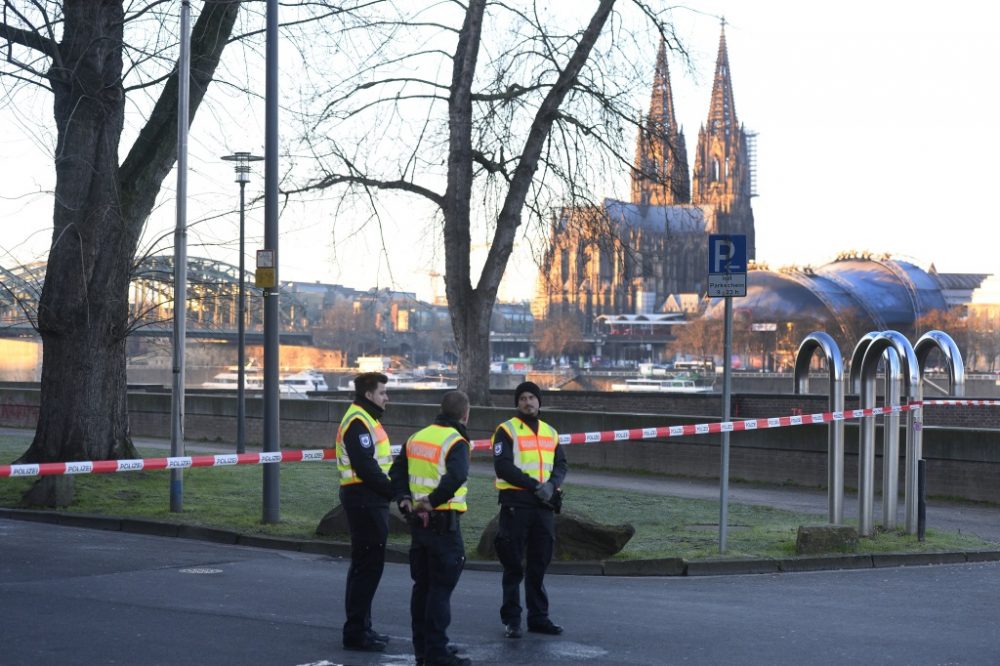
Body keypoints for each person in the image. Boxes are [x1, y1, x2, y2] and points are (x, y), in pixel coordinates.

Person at [389, 390, 473, 666]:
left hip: (419, 527)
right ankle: (437, 653)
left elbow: (397, 470)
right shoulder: (456, 441)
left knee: (422, 588)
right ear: (465, 414)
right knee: (440, 590)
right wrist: (432, 501)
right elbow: (458, 476)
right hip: (443, 525)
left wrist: (404, 498)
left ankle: (423, 650)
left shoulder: (417, 437)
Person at [492, 381, 568, 639]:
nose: (528, 402)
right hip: (516, 505)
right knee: (513, 566)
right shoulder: (506, 430)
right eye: (523, 398)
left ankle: (539, 617)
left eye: (532, 398)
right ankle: (512, 620)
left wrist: (553, 484)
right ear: (517, 403)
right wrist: (536, 486)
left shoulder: (550, 432)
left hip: (543, 508)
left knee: (539, 564)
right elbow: (503, 467)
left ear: (539, 401)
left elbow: (561, 464)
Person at [335, 371, 394, 652]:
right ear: (369, 394)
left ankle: (362, 628)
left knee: (365, 566)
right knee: (367, 567)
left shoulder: (366, 419)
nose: (387, 398)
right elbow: (366, 466)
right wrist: (392, 491)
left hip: (366, 498)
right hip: (364, 498)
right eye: (383, 393)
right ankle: (357, 632)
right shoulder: (359, 421)